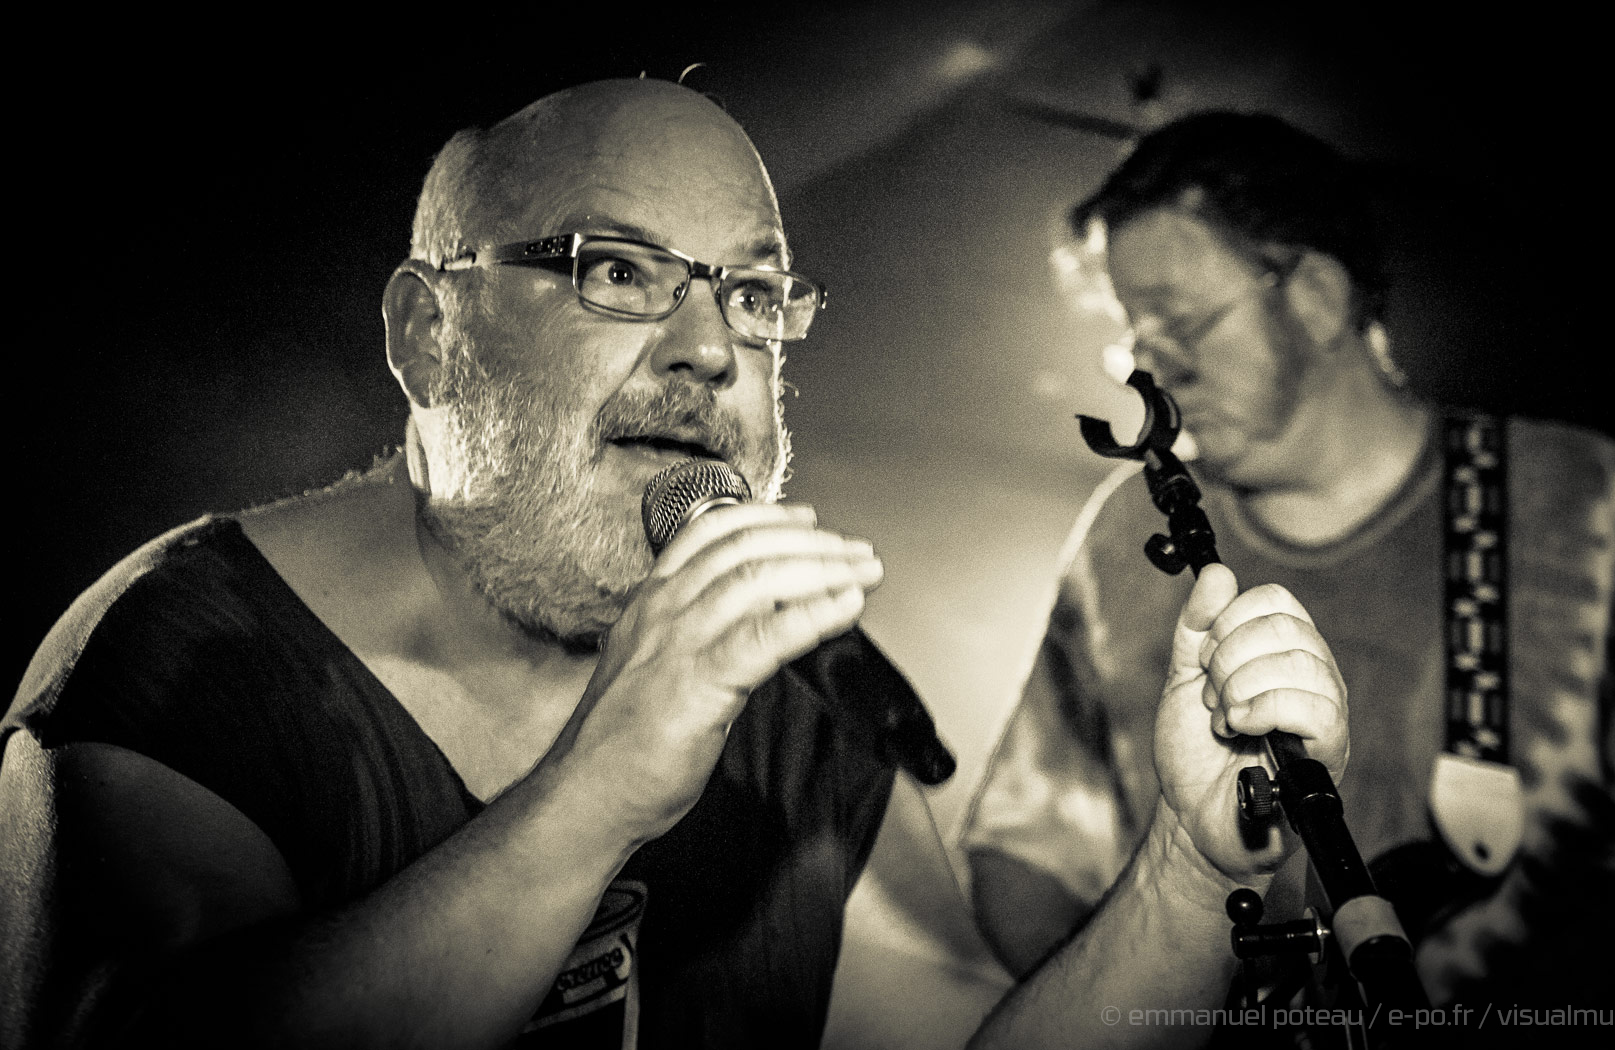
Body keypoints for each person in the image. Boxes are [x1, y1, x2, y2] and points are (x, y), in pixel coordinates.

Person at [1, 82, 1349, 1050]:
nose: (709, 349)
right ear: (429, 337)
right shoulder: (184, 651)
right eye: (617, 271)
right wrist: (599, 789)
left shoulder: (801, 703)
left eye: (753, 298)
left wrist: (1189, 874)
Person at [963, 110, 1615, 1039]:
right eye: (1137, 337)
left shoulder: (1574, 494)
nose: (1154, 371)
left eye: (1181, 323)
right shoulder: (1126, 533)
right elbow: (1022, 854)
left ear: (1317, 296)